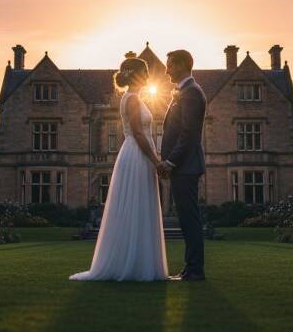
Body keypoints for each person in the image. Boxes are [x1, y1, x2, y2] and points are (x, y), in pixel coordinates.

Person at [69, 57, 168, 281]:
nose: (148, 76)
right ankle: (132, 266)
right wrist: (156, 161)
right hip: (137, 154)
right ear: (137, 75)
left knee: (140, 205)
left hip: (137, 154)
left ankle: (140, 264)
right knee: (136, 205)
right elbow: (138, 133)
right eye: (145, 72)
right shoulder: (131, 99)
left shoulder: (134, 98)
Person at [157, 49, 207, 281]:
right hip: (183, 167)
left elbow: (188, 134)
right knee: (187, 219)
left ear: (182, 65)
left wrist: (170, 161)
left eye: (169, 65)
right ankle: (190, 268)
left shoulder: (192, 93)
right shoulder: (185, 92)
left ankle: (195, 270)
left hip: (185, 167)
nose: (167, 70)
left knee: (189, 219)